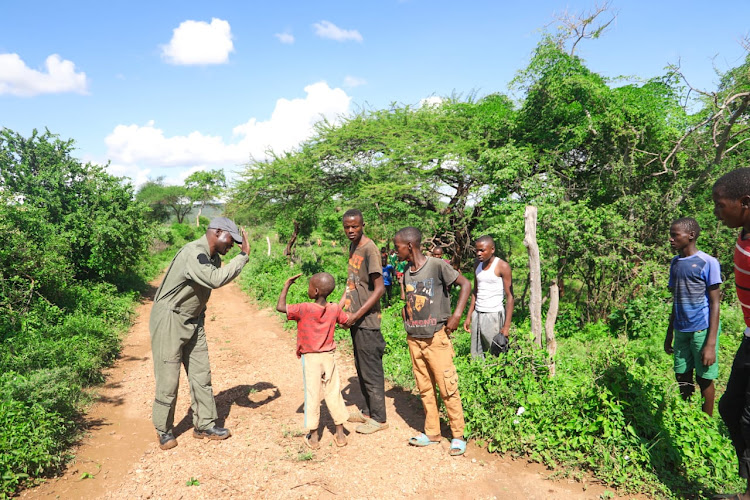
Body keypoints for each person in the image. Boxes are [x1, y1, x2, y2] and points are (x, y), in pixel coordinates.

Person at [150, 217, 249, 450]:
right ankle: (164, 430)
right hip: (170, 319)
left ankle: (204, 424)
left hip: (194, 319)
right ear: (216, 232)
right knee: (168, 379)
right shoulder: (193, 252)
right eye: (230, 240)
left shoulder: (213, 257)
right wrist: (242, 256)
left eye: (236, 243)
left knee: (201, 374)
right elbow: (215, 280)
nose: (232, 245)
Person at [394, 226, 471, 456]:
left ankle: (458, 435)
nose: (395, 252)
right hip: (414, 339)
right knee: (425, 388)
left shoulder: (437, 266)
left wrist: (456, 315)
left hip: (436, 338)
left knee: (447, 387)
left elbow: (466, 285)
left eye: (398, 247)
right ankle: (433, 433)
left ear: (409, 246)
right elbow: (410, 299)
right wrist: (405, 313)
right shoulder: (407, 270)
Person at [276, 272, 349, 449]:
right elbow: (341, 316)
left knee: (312, 395)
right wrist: (346, 293)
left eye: (309, 286)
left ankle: (314, 437)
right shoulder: (333, 309)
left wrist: (287, 285)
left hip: (311, 358)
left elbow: (280, 307)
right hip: (328, 357)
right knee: (333, 393)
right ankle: (340, 435)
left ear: (315, 291)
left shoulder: (304, 308)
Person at [714, 168, 750, 499]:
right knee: (730, 408)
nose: (716, 212)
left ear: (745, 203)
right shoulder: (742, 235)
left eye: (720, 205)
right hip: (749, 338)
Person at [664, 217, 721, 416]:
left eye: (674, 235)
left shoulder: (708, 262)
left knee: (704, 378)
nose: (670, 240)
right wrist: (669, 334)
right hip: (681, 330)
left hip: (701, 329)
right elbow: (676, 301)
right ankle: (687, 417)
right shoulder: (675, 263)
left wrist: (710, 344)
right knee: (682, 375)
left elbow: (715, 303)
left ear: (691, 235)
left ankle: (706, 422)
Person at [339, 209, 388, 434]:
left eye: (355, 226)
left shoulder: (370, 250)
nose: (350, 230)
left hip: (367, 321)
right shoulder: (353, 247)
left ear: (362, 225)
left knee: (371, 370)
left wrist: (356, 315)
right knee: (360, 366)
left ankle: (379, 418)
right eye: (347, 227)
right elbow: (353, 283)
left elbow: (379, 290)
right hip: (355, 318)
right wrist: (339, 308)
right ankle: (367, 411)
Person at [463, 235, 515, 359]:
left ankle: (497, 377)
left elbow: (510, 297)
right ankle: (480, 375)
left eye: (482, 250)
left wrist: (506, 326)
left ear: (492, 249)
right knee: (477, 353)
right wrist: (469, 316)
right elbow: (476, 291)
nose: (478, 253)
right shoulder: (477, 265)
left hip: (494, 315)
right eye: (477, 250)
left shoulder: (502, 266)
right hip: (478, 313)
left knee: (496, 352)